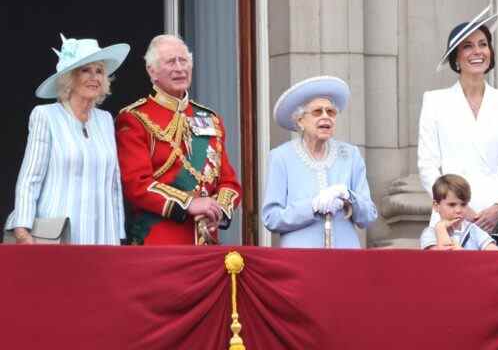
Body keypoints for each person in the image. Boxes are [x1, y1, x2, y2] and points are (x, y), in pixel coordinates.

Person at [116, 35, 241, 245]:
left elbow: (229, 182)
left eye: (183, 61)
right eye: (170, 62)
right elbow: (136, 184)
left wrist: (216, 209)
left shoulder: (210, 118)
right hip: (159, 242)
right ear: (152, 71)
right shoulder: (135, 118)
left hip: (205, 242)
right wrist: (189, 203)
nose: (179, 68)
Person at [4, 34, 128, 244]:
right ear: (69, 77)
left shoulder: (106, 120)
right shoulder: (46, 116)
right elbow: (30, 178)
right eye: (85, 70)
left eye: (99, 71)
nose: (94, 77)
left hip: (102, 236)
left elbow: (114, 183)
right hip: (59, 235)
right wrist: (22, 230)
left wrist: (118, 233)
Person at [418, 5, 498, 244]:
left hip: (495, 218)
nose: (477, 51)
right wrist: (457, 206)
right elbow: (428, 164)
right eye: (468, 46)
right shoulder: (434, 101)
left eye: (483, 44)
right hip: (449, 217)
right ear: (456, 56)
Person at [262, 76, 378, 248]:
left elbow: (368, 216)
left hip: (345, 258)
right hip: (300, 260)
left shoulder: (351, 155)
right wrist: (311, 206)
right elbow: (271, 218)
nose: (326, 117)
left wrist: (348, 197)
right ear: (300, 120)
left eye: (331, 112)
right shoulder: (281, 157)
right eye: (317, 112)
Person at [420, 174, 498, 251]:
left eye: (463, 204)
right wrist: (441, 228)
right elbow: (442, 258)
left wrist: (463, 253)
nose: (458, 210)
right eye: (452, 205)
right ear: (436, 206)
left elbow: (495, 254)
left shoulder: (474, 230)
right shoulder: (430, 233)